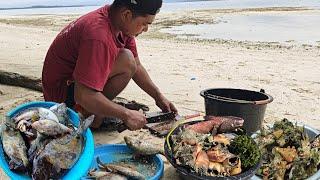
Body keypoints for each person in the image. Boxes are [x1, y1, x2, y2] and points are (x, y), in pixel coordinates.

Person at [41, 0, 177, 130]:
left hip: (74, 83)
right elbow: (82, 95)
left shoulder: (121, 25)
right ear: (126, 15)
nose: (146, 29)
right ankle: (86, 115)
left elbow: (137, 66)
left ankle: (95, 111)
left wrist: (158, 97)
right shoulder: (98, 35)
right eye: (144, 24)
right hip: (60, 100)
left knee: (128, 60)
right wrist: (126, 114)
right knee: (126, 60)